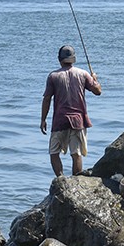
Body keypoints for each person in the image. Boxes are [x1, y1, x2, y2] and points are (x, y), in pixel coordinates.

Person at [40, 45, 102, 176]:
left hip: (60, 120)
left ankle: (61, 179)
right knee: (76, 153)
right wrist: (95, 80)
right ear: (73, 59)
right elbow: (98, 91)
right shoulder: (83, 74)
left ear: (59, 59)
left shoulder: (53, 76)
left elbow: (46, 99)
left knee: (54, 152)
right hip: (78, 120)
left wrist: (43, 120)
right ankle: (76, 181)